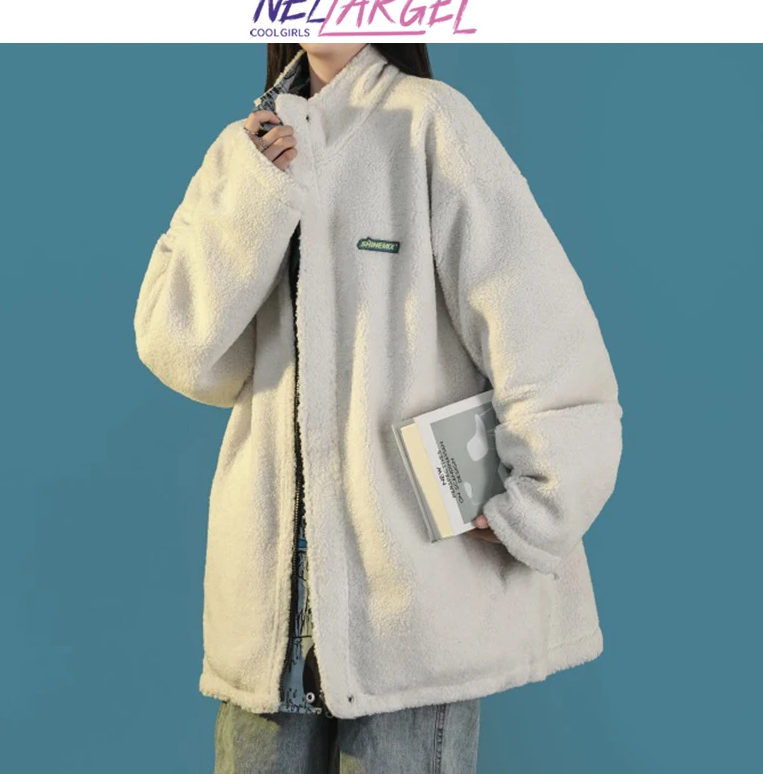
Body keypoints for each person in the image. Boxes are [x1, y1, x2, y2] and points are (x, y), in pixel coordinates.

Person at [133, 42, 623, 773]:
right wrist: (254, 196)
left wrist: (543, 495)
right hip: (267, 610)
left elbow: (538, 318)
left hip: (408, 605)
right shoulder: (246, 153)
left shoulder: (431, 123)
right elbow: (182, 351)